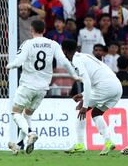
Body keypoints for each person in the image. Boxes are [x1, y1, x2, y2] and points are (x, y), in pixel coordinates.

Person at [6, 20, 79, 155]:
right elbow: (64, 61)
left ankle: (30, 133)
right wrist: (74, 75)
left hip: (28, 84)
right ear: (44, 30)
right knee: (27, 114)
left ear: (31, 30)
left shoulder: (27, 44)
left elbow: (19, 61)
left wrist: (10, 65)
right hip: (43, 88)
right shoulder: (53, 44)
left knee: (16, 113)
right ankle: (19, 144)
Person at [62, 39, 122, 155]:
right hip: (117, 87)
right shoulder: (83, 56)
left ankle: (80, 144)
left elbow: (88, 82)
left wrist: (85, 105)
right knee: (96, 113)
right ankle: (108, 142)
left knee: (80, 110)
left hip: (104, 87)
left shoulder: (76, 60)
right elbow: (95, 79)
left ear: (64, 51)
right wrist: (84, 95)